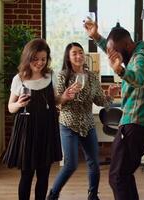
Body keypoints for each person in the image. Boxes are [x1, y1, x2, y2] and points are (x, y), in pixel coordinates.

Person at [84, 22, 144, 200]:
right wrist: (96, 37)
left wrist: (120, 71)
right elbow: (112, 50)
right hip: (137, 126)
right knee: (123, 176)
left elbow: (138, 79)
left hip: (135, 126)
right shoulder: (133, 52)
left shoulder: (140, 57)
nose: (112, 56)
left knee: (117, 177)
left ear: (126, 45)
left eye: (114, 52)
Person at [2, 38, 77, 200]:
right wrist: (19, 104)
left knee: (44, 176)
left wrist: (64, 97)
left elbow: (55, 101)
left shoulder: (50, 76)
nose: (40, 63)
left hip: (47, 129)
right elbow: (10, 107)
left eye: (43, 59)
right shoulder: (19, 79)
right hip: (27, 130)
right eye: (36, 59)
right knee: (26, 175)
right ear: (28, 57)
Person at [47, 42, 119, 200]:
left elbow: (100, 101)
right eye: (74, 53)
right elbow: (56, 101)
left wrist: (110, 95)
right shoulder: (62, 75)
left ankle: (93, 195)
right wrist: (65, 96)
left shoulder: (92, 76)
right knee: (70, 165)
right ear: (68, 56)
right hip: (68, 124)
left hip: (87, 124)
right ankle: (52, 195)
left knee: (94, 162)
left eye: (80, 52)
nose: (79, 56)